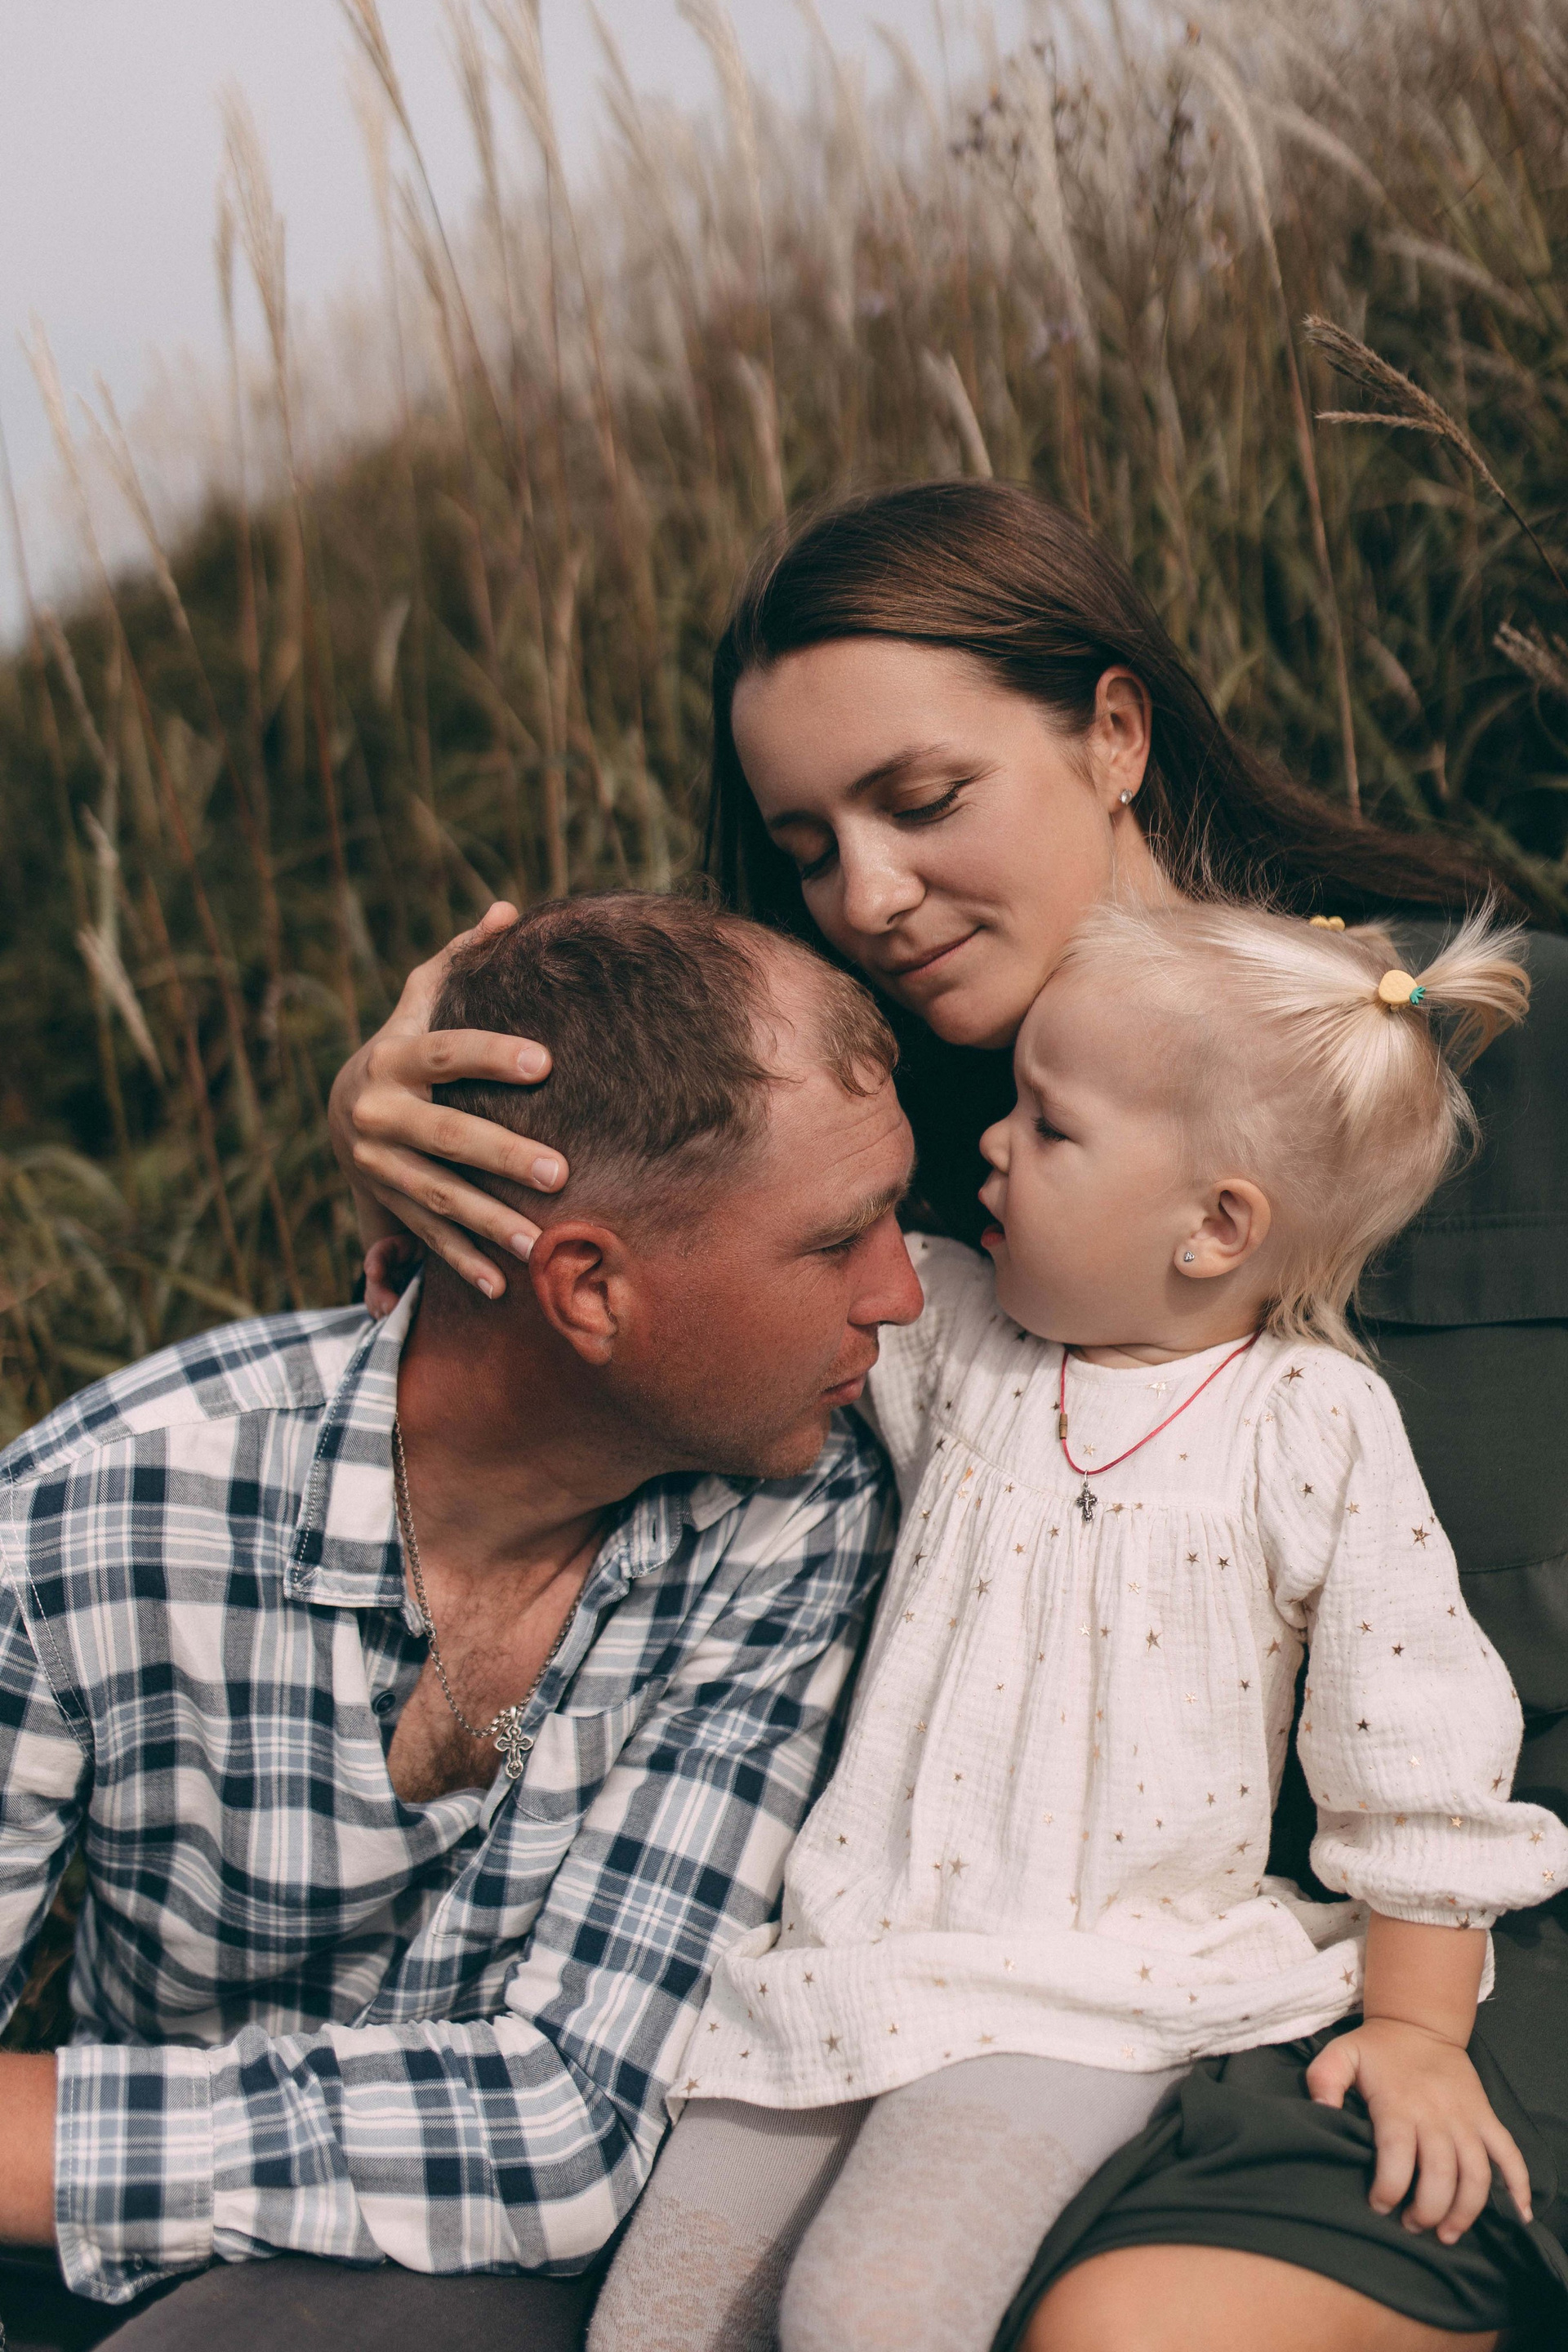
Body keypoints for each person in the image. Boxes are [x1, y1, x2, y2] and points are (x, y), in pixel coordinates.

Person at [332, 479, 1568, 2350]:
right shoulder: (895, 1204)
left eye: (921, 800)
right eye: (806, 848)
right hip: (1000, 1978)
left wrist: (1419, 2016)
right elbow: (568, 1390)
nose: (866, 894)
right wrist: (427, 1168)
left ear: (1116, 732)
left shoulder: (1499, 1042)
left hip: (1446, 1970)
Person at [585, 900, 1563, 2352]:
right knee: (655, 2326)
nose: (992, 1142)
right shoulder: (956, 1333)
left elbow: (1410, 1743)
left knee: (873, 2316)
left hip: (1099, 1989)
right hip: (846, 1959)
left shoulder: (1307, 1424)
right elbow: (732, 1281)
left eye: (1049, 1127)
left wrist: (1416, 2034)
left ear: (1217, 1225)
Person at [0, 892, 924, 2352]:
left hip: (496, 2291)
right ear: (589, 1288)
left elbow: (570, 2126)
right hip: (94, 2260)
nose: (904, 1293)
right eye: (840, 1241)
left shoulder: (796, 1522)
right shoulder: (98, 1510)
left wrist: (43, 2139)